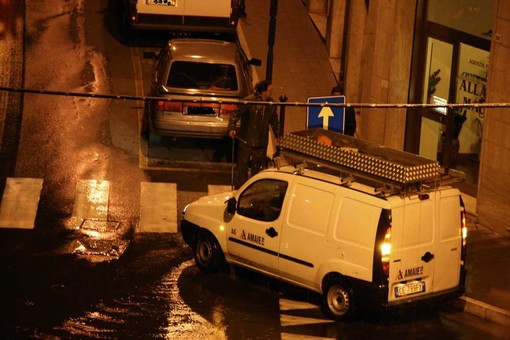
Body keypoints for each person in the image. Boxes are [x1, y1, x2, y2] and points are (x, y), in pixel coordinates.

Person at [228, 80, 280, 189]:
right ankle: (239, 189)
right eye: (269, 90)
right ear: (263, 91)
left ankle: (254, 190)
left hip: (261, 141)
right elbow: (235, 114)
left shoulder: (271, 104)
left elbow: (274, 120)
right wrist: (232, 128)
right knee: (242, 167)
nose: (271, 93)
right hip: (246, 139)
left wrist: (278, 134)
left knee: (258, 168)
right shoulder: (249, 101)